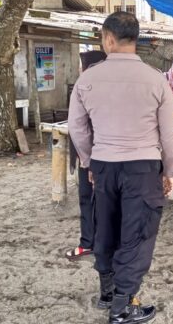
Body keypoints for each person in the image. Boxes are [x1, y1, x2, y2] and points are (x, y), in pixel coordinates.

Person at [69, 12, 173, 324]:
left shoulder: (87, 79)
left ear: (108, 38)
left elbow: (77, 129)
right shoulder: (156, 79)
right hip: (143, 168)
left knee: (104, 227)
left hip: (103, 165)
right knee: (137, 234)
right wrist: (169, 171)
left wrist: (89, 162)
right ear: (136, 39)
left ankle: (107, 293)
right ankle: (122, 306)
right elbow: (169, 133)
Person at [65, 50, 107, 261]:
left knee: (91, 199)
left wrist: (88, 161)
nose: (82, 71)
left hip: (94, 155)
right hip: (97, 154)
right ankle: (94, 242)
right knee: (96, 200)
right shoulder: (91, 87)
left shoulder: (89, 88)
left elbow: (79, 127)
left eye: (85, 66)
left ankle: (90, 244)